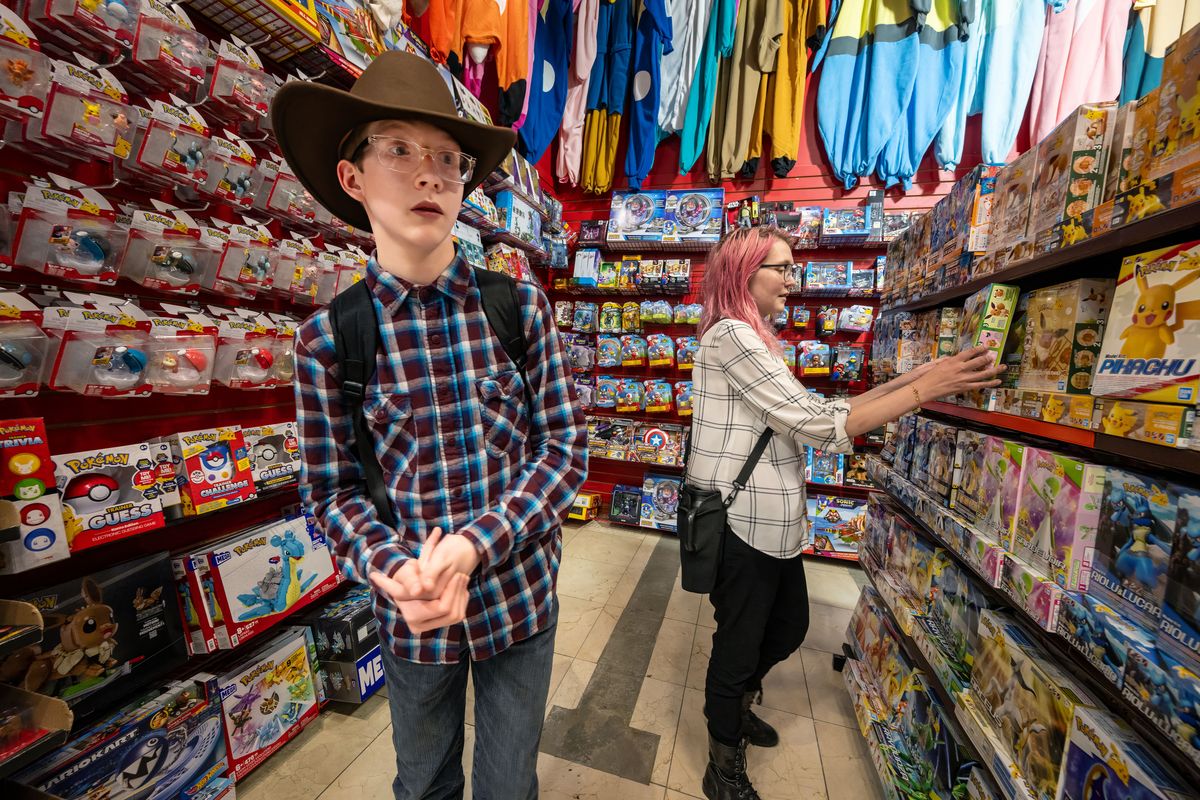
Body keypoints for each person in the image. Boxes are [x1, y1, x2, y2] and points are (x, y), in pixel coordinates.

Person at [271, 52, 588, 799]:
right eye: (399, 150)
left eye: (449, 159)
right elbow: (331, 491)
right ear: (352, 178)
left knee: (509, 783)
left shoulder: (518, 308)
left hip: (518, 599)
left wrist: (479, 544)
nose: (431, 174)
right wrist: (393, 567)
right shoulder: (330, 338)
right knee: (421, 783)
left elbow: (565, 448)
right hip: (411, 618)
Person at [687, 226, 1004, 800]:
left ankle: (734, 707)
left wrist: (918, 377)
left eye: (792, 268)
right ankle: (722, 762)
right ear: (743, 274)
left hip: (773, 522)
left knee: (788, 627)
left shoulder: (756, 338)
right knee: (737, 647)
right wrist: (926, 389)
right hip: (742, 523)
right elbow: (819, 427)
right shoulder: (731, 335)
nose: (792, 280)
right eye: (781, 268)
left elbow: (816, 408)